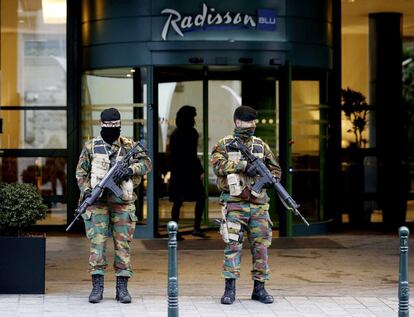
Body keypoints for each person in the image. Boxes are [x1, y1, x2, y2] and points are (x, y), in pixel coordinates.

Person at [76, 108, 152, 304]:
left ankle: (122, 288)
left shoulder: (129, 145)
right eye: (108, 125)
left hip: (122, 204)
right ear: (101, 124)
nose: (111, 128)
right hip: (98, 205)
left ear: (120, 124)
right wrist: (89, 192)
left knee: (123, 246)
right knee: (97, 246)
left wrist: (129, 169)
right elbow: (81, 174)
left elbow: (146, 163)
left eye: (115, 125)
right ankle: (97, 287)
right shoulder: (91, 146)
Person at [210, 105, 281, 305]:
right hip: (234, 204)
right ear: (237, 122)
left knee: (261, 247)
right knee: (233, 245)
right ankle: (230, 289)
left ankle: (260, 288)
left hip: (259, 205)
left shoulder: (261, 145)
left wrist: (270, 178)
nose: (251, 126)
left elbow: (275, 169)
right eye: (247, 122)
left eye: (253, 122)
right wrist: (243, 165)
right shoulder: (225, 144)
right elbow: (217, 165)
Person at [168, 105, 208, 239]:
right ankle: (196, 227)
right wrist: (200, 171)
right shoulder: (192, 133)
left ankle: (175, 231)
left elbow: (173, 155)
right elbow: (192, 154)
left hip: (179, 172)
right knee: (200, 198)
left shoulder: (175, 134)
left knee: (178, 202)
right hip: (189, 172)